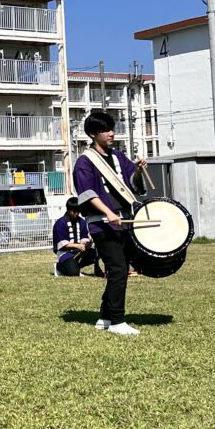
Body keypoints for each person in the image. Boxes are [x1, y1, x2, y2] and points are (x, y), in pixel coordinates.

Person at [73, 111, 148, 335]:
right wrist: (109, 213)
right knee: (118, 268)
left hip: (123, 221)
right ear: (93, 134)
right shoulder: (85, 162)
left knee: (120, 268)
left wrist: (137, 170)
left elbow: (133, 185)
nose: (111, 133)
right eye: (106, 130)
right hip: (102, 223)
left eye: (112, 128)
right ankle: (117, 321)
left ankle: (105, 317)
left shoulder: (118, 157)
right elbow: (87, 194)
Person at [52, 197, 99, 277]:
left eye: (78, 211)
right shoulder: (60, 223)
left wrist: (86, 243)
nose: (76, 213)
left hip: (79, 251)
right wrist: (77, 245)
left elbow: (84, 237)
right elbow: (62, 244)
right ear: (68, 210)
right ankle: (59, 267)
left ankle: (73, 266)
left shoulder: (82, 221)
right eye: (74, 211)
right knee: (73, 273)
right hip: (64, 252)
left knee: (95, 254)